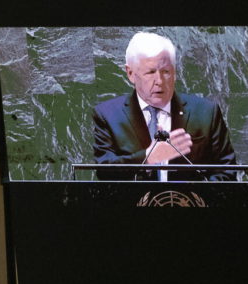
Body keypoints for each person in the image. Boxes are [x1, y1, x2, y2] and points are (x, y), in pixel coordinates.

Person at [92, 32, 237, 181]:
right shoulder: (108, 115)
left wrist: (193, 197)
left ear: (174, 73)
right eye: (150, 72)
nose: (159, 81)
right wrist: (147, 158)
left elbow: (227, 172)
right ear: (131, 73)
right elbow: (104, 172)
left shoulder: (206, 112)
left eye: (166, 72)